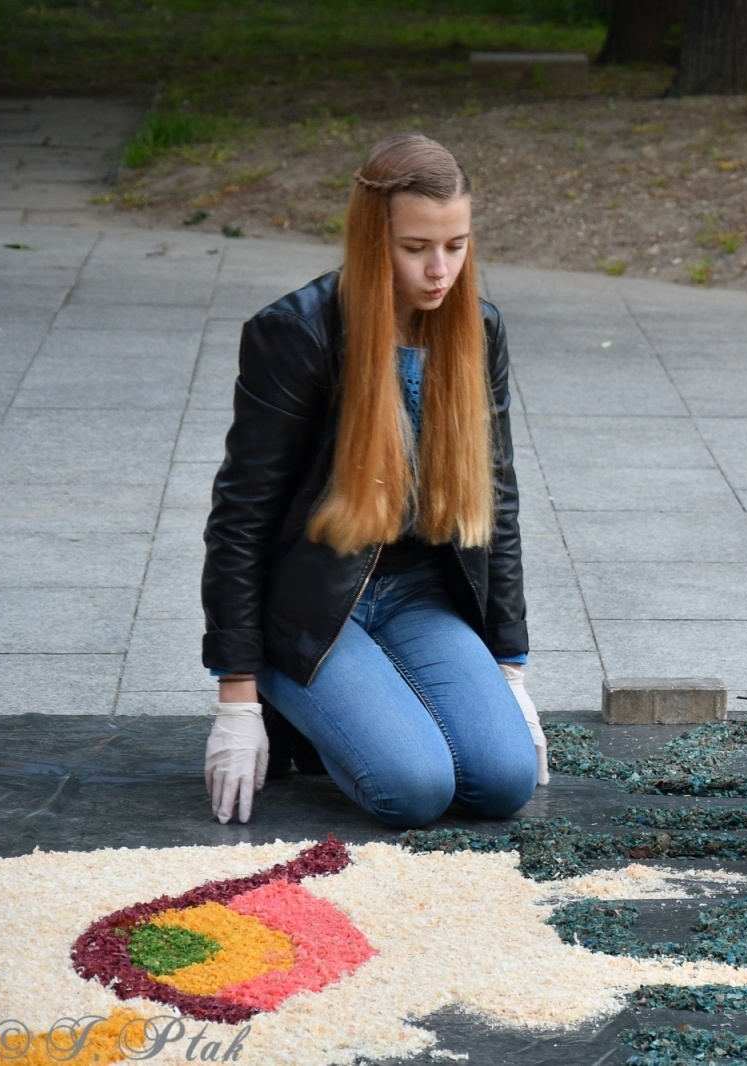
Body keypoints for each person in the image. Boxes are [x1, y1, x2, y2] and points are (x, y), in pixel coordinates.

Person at [200, 133, 546, 828]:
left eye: (456, 244)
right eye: (415, 248)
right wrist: (236, 695)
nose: (440, 269)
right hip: (310, 610)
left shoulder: (478, 329)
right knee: (414, 789)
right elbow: (240, 519)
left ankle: (372, 699)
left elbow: (497, 504)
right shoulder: (294, 334)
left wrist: (510, 664)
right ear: (370, 238)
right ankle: (293, 695)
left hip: (419, 595)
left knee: (504, 781)